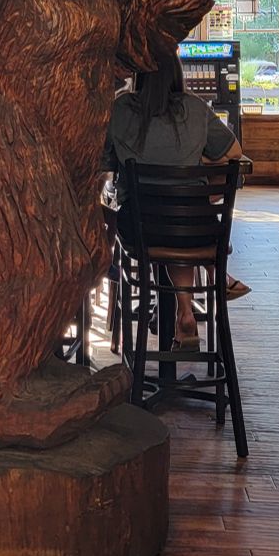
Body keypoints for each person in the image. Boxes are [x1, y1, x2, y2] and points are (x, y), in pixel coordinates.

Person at [101, 51, 250, 350]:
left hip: (142, 230)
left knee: (154, 221)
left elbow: (104, 162)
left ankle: (180, 314)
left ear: (139, 74)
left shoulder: (121, 108)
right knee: (180, 228)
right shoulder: (195, 107)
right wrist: (193, 161)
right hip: (195, 228)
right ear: (177, 74)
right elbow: (235, 153)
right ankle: (186, 312)